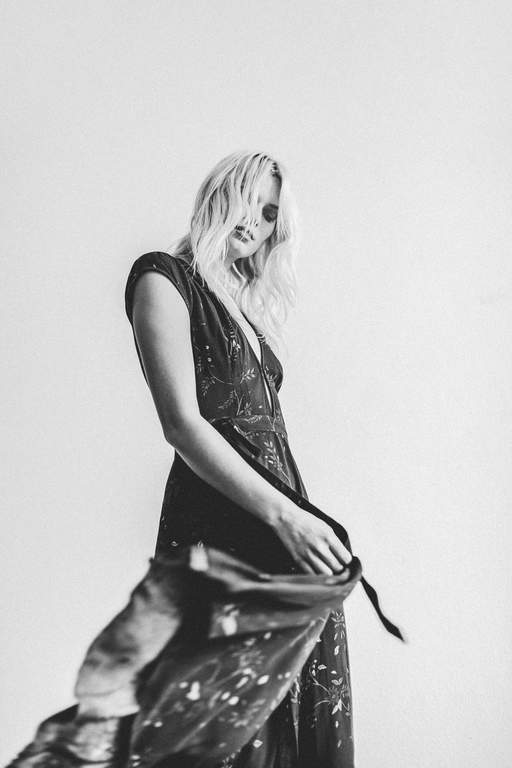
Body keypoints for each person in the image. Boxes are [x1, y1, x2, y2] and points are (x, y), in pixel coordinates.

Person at [8, 151, 402, 768]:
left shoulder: (247, 311)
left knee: (295, 717)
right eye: (249, 198)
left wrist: (300, 524)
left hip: (286, 536)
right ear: (218, 193)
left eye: (270, 215)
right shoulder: (162, 278)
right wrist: (287, 517)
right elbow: (183, 426)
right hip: (228, 526)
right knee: (209, 726)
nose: (256, 221)